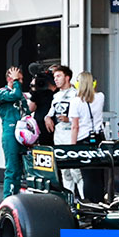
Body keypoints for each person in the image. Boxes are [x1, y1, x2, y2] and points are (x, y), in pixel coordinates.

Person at [68, 71, 107, 202]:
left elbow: (75, 126)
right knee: (98, 175)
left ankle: (90, 202)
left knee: (87, 175)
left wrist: (72, 147)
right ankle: (100, 201)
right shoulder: (100, 97)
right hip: (99, 139)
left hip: (83, 139)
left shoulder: (75, 102)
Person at [47, 65, 82, 196]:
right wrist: (47, 118)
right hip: (59, 137)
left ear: (67, 78)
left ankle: (84, 200)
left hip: (71, 137)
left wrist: (69, 119)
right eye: (54, 77)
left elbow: (83, 117)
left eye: (58, 76)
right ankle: (69, 201)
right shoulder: (56, 96)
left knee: (76, 171)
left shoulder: (76, 94)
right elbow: (50, 113)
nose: (55, 79)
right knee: (65, 171)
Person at [0, 66, 27, 198]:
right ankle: (7, 198)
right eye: (18, 79)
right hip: (10, 133)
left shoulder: (22, 95)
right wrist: (15, 82)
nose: (21, 82)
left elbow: (27, 112)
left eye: (20, 79)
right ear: (10, 79)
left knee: (21, 169)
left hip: (23, 134)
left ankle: (18, 197)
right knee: (12, 168)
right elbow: (15, 95)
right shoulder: (2, 92)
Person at [28, 68, 57, 146]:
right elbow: (30, 109)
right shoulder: (38, 92)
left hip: (54, 128)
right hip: (41, 128)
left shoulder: (58, 93)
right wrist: (34, 89)